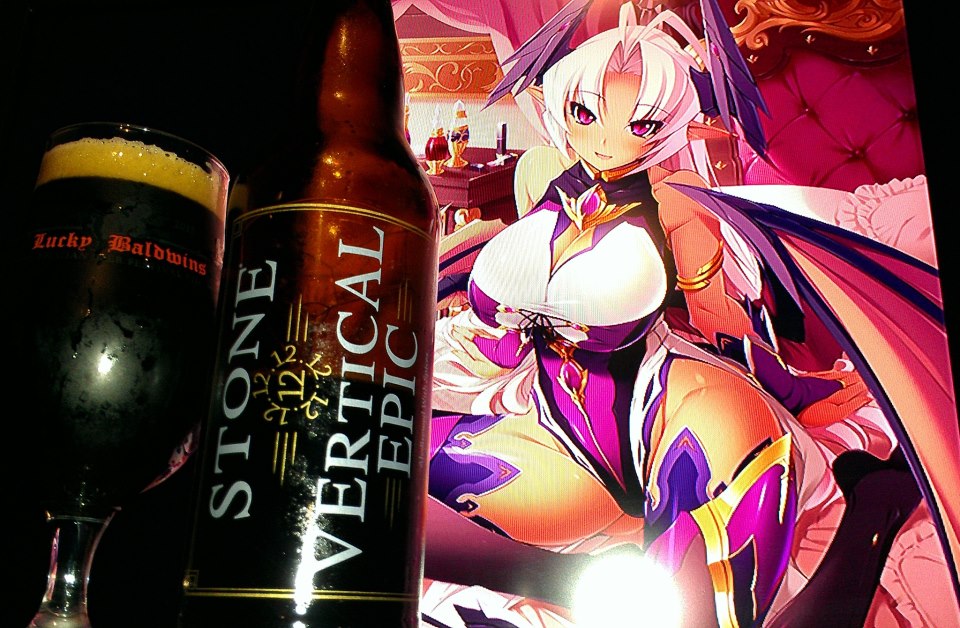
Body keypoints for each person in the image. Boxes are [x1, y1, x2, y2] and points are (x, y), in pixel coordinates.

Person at [422, 2, 960, 627]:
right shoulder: (559, 190)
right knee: (380, 470)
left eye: (642, 122)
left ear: (673, 124)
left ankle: (873, 509)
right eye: (586, 113)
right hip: (546, 408)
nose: (605, 138)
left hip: (665, 411)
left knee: (700, 608)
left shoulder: (677, 207)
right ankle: (563, 577)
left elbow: (718, 320)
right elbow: (518, 297)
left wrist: (796, 390)